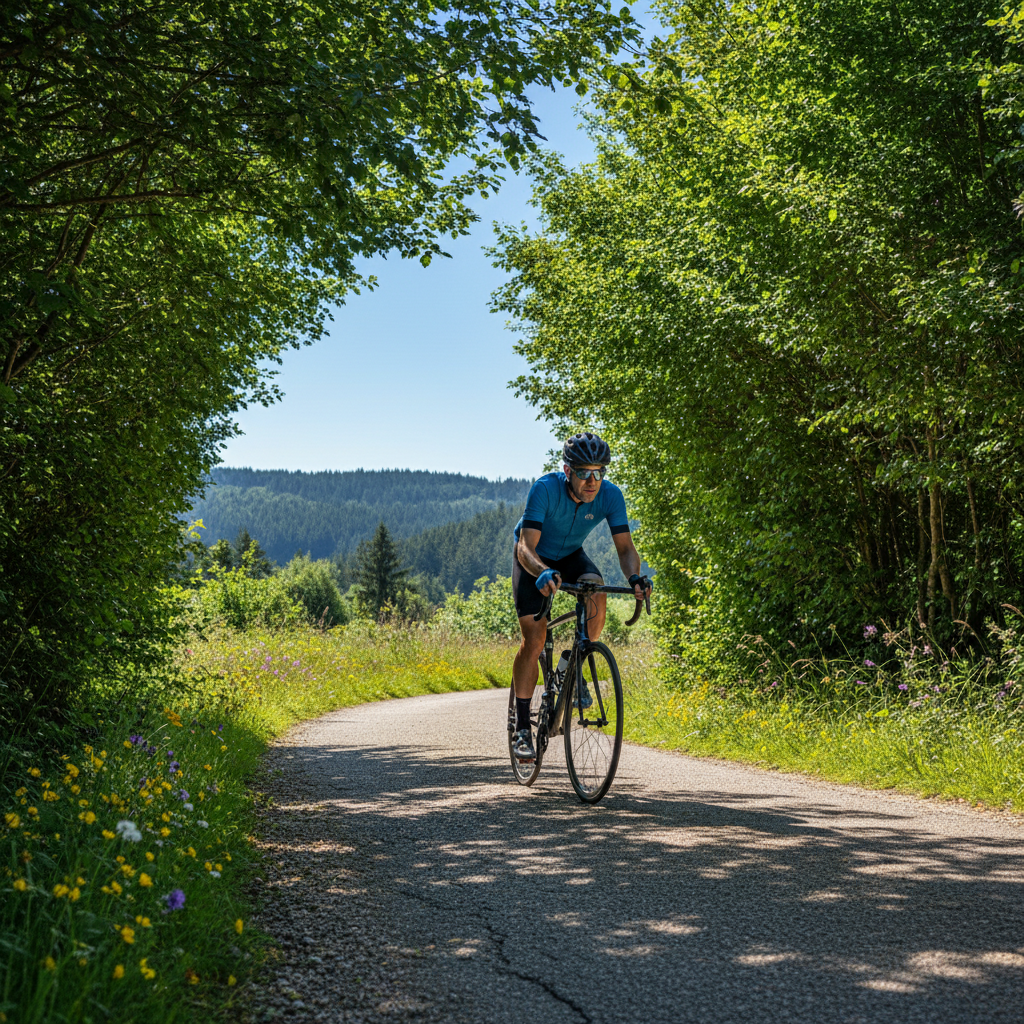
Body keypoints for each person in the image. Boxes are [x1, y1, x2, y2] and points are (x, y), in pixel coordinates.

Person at [510, 431, 652, 761]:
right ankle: (520, 728)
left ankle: (573, 666)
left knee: (595, 589)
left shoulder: (611, 496)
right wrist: (540, 571)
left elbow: (626, 548)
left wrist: (634, 577)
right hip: (534, 558)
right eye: (585, 472)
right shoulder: (545, 488)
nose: (592, 481)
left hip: (572, 554)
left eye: (599, 472)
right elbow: (524, 546)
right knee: (534, 639)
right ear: (568, 471)